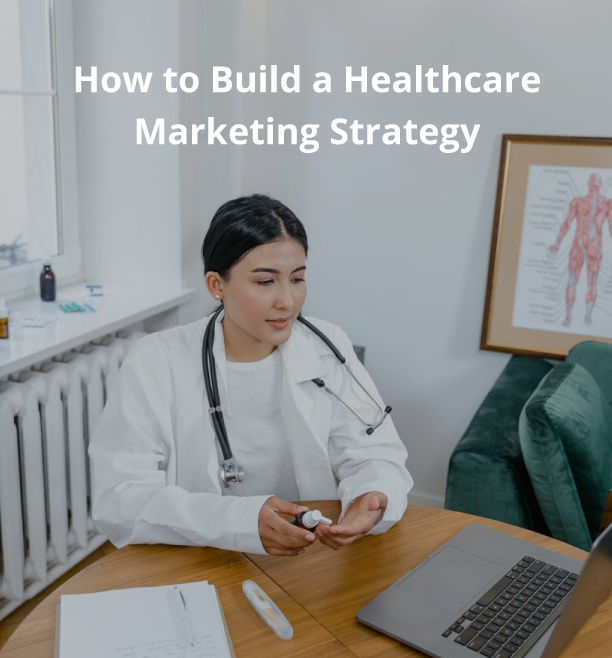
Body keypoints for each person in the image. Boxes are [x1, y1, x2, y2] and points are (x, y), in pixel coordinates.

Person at [89, 194, 413, 556]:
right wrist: (238, 521)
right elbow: (119, 499)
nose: (287, 301)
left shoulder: (327, 346)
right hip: (198, 556)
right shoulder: (156, 361)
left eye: (297, 279)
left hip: (306, 554)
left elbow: (375, 452)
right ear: (217, 285)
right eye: (265, 282)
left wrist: (374, 491)